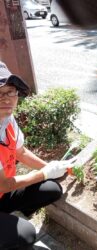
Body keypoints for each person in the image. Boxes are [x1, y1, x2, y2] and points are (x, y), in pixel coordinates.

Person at [0, 61, 73, 249]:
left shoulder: (7, 120)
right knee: (25, 235)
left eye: (11, 91)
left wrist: (51, 167)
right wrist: (44, 173)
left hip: (1, 194)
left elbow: (20, 152)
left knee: (51, 189)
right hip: (2, 186)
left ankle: (8, 220)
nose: (7, 99)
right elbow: (5, 184)